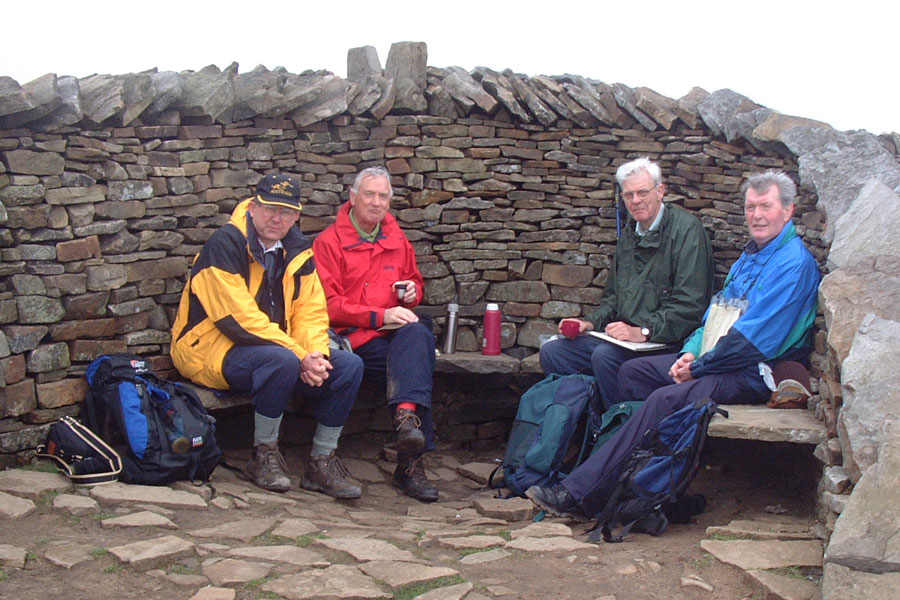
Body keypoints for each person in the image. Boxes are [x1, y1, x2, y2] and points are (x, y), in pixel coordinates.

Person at [527, 170, 821, 519]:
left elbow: (751, 343)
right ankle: (644, 487)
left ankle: (582, 493)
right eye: (750, 207)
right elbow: (713, 315)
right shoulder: (751, 257)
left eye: (766, 206)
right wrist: (689, 353)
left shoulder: (793, 265)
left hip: (756, 373)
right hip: (717, 360)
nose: (756, 215)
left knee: (665, 398)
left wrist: (697, 367)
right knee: (632, 373)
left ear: (787, 211)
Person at [170, 173, 364, 498]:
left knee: (348, 366)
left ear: (297, 216)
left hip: (274, 350)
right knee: (281, 361)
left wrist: (316, 355)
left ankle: (322, 461)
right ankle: (263, 456)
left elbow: (310, 312)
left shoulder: (299, 252)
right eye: (270, 209)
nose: (278, 218)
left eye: (286, 212)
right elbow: (238, 320)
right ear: (253, 207)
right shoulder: (224, 244)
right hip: (206, 349)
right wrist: (299, 354)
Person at [539, 157, 714, 412]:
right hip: (626, 342)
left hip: (667, 342)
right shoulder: (630, 235)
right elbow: (612, 298)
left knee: (605, 357)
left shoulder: (687, 231)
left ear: (660, 192)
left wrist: (642, 332)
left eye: (643, 192)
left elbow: (690, 308)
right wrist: (589, 323)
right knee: (554, 352)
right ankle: (590, 423)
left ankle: (621, 430)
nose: (636, 200)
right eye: (629, 194)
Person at [313, 166, 439, 503]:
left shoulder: (397, 239)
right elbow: (327, 306)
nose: (376, 201)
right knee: (419, 356)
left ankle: (405, 422)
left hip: (391, 338)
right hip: (350, 341)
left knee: (417, 334)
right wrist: (379, 315)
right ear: (352, 198)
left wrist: (412, 293)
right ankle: (410, 463)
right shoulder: (328, 242)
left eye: (383, 196)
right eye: (369, 194)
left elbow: (415, 281)